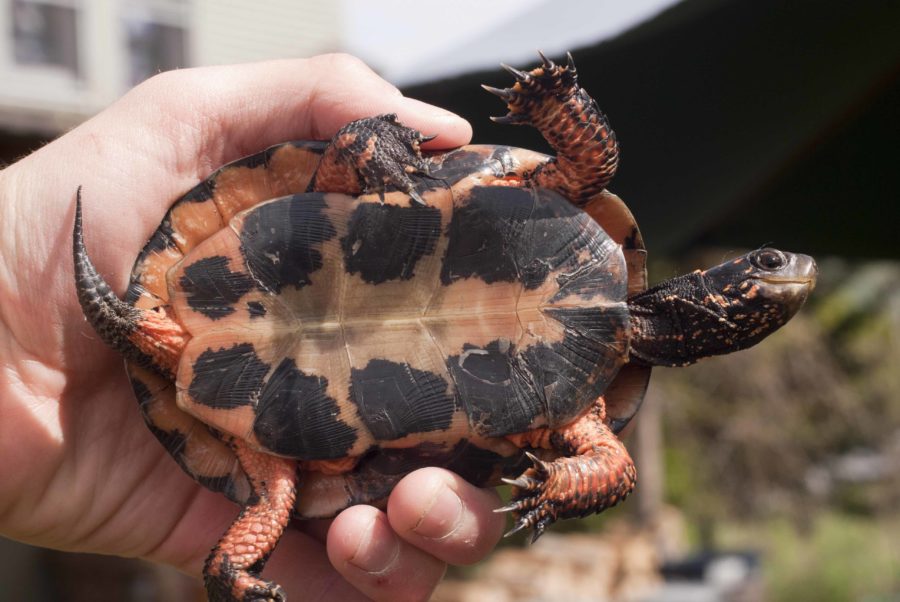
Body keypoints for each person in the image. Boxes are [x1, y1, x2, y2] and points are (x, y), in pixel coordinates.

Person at [0, 54, 506, 601]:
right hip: (261, 412)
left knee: (275, 497)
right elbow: (342, 171)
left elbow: (342, 169)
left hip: (252, 398)